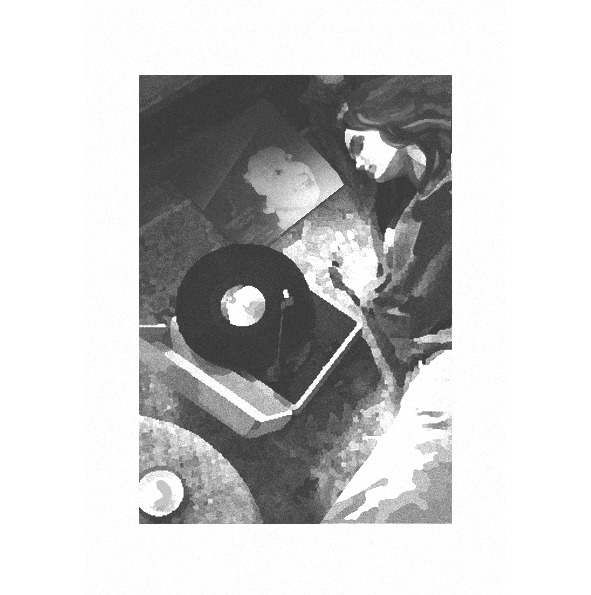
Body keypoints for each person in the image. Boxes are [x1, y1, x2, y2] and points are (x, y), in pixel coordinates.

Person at [337, 75, 452, 345]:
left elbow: (406, 321)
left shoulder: (440, 209)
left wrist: (361, 289)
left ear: (390, 122)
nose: (358, 163)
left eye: (358, 146)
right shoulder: (428, 189)